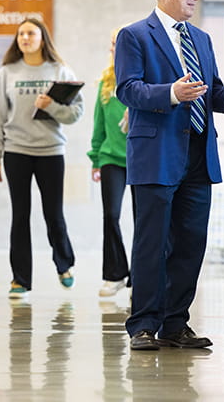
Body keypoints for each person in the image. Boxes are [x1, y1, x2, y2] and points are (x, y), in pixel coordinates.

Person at [115, 0, 224, 350]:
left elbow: (210, 92)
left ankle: (175, 324)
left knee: (191, 243)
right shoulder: (135, 36)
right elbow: (128, 90)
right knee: (151, 243)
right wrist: (171, 93)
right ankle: (142, 324)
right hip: (156, 153)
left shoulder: (202, 39)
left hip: (198, 154)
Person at [0, 18, 84, 299]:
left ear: (43, 38)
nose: (25, 38)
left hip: (50, 152)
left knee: (53, 214)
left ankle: (64, 265)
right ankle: (20, 280)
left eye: (31, 33)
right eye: (21, 34)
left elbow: (76, 113)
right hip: (16, 151)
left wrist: (51, 105)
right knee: (20, 216)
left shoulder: (59, 70)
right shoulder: (7, 73)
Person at [88, 28, 134, 297]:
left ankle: (139, 280)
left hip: (140, 158)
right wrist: (96, 158)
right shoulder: (106, 83)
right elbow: (99, 125)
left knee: (144, 221)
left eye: (118, 44)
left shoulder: (144, 77)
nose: (113, 49)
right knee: (111, 215)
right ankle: (115, 274)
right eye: (112, 44)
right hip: (110, 159)